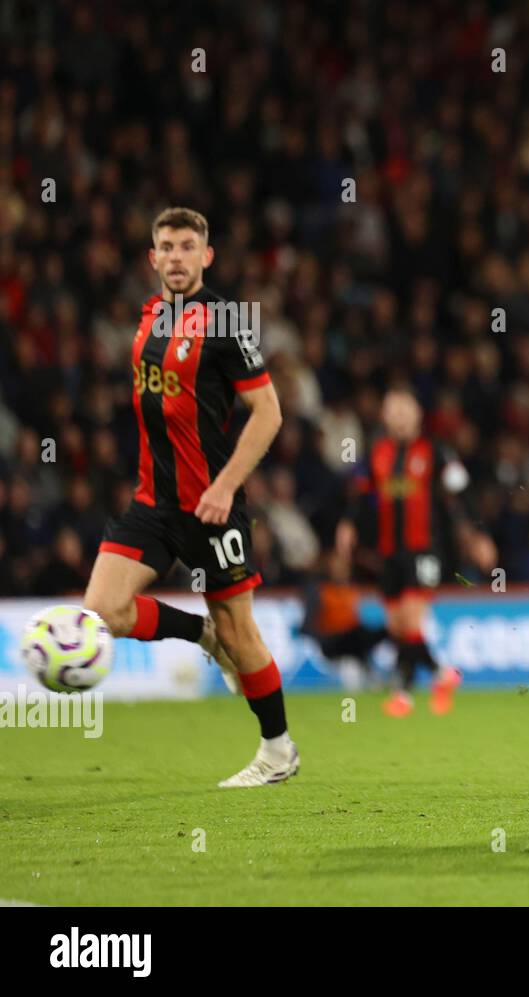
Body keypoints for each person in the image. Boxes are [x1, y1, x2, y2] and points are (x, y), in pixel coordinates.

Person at [84, 206, 297, 787]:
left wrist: (225, 486)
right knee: (103, 610)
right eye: (166, 248)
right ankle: (198, 634)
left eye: (187, 247)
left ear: (206, 256)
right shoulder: (150, 315)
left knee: (241, 633)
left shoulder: (225, 321)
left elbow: (269, 412)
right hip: (153, 502)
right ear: (152, 259)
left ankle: (278, 750)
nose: (176, 257)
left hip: (212, 505)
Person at [336, 385, 496, 717]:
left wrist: (479, 535)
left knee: (410, 618)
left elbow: (462, 493)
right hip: (389, 552)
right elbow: (361, 495)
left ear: (417, 414)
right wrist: (348, 524)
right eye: (392, 410)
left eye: (405, 408)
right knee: (397, 627)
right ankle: (443, 674)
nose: (399, 416)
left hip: (427, 550)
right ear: (384, 416)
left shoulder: (436, 451)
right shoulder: (376, 453)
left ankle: (403, 693)